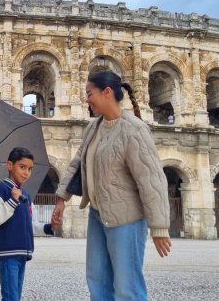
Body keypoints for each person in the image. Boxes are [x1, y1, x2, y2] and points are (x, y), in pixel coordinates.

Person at [52, 71, 171, 300]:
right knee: (97, 279)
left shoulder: (134, 130)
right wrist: (61, 199)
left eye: (90, 94)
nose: (87, 99)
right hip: (98, 214)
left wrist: (159, 227)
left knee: (127, 285)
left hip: (127, 219)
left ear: (107, 92)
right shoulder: (93, 127)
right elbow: (77, 164)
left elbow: (152, 180)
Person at [0, 147, 55, 301]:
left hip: (21, 253)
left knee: (15, 296)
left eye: (30, 169)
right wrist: (12, 201)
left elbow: (30, 224)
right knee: (10, 297)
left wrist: (49, 227)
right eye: (22, 167)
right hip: (8, 253)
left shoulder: (25, 195)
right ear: (10, 165)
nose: (26, 173)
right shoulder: (1, 190)